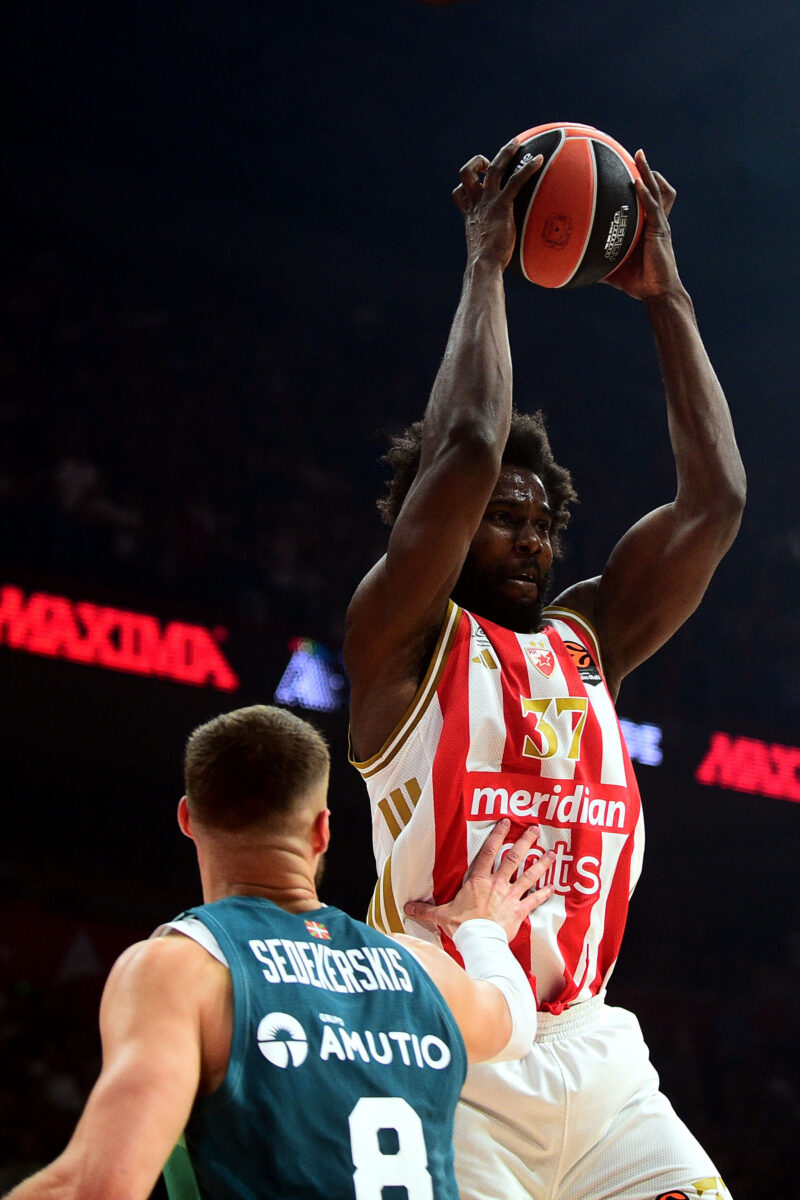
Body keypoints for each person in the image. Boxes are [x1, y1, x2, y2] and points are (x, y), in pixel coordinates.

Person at [345, 136, 746, 1200]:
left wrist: (666, 298)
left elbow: (715, 503)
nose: (527, 538)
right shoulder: (400, 641)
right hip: (448, 1052)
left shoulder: (587, 641)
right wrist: (485, 260)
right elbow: (470, 447)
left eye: (539, 524)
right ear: (438, 525)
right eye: (498, 521)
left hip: (596, 1055)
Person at [5, 703, 556, 1200]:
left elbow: (98, 1186)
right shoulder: (419, 968)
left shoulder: (181, 969)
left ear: (187, 820)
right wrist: (480, 929)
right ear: (322, 831)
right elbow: (515, 1022)